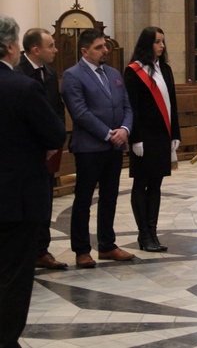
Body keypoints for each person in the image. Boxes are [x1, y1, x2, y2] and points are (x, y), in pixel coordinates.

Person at [0, 15, 66, 347]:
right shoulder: (22, 86)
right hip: (16, 198)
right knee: (13, 274)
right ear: (11, 46)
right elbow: (55, 132)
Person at [61, 28, 135, 268]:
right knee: (83, 199)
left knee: (110, 196)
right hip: (90, 147)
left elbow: (127, 106)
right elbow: (80, 113)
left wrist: (124, 129)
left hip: (114, 146)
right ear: (85, 51)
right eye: (99, 47)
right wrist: (108, 134)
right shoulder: (73, 75)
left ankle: (107, 244)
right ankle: (81, 249)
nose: (105, 50)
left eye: (105, 46)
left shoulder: (113, 73)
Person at [14, 28, 68, 270]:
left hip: (47, 150)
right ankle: (24, 253)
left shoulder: (50, 72)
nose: (56, 50)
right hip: (25, 153)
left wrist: (53, 142)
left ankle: (41, 250)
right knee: (25, 205)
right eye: (51, 45)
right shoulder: (18, 73)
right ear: (36, 49)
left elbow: (55, 109)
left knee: (45, 200)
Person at [124, 27, 181, 252]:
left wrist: (175, 133)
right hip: (143, 137)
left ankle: (153, 232)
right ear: (147, 44)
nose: (161, 46)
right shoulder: (134, 71)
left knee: (156, 184)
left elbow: (172, 104)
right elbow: (131, 107)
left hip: (161, 136)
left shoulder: (164, 69)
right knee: (141, 183)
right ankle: (143, 234)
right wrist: (135, 139)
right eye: (158, 42)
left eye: (163, 42)